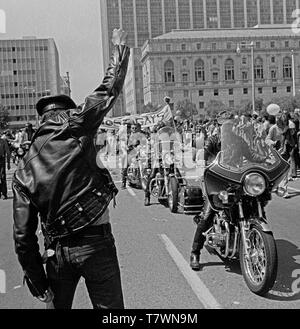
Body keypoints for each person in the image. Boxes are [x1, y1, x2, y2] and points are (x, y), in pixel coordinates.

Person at [12, 28, 130, 309]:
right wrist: (119, 49)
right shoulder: (74, 123)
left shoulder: (23, 170)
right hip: (96, 243)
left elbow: (22, 238)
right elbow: (109, 89)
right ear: (67, 111)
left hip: (56, 253)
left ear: (40, 120)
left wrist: (39, 284)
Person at [190, 111, 268, 271]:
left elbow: (251, 155)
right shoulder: (213, 140)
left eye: (231, 123)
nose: (229, 126)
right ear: (220, 125)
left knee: (255, 200)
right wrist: (201, 167)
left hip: (236, 180)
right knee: (207, 216)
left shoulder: (239, 140)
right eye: (226, 124)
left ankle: (259, 238)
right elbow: (203, 154)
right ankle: (195, 253)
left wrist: (266, 158)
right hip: (218, 181)